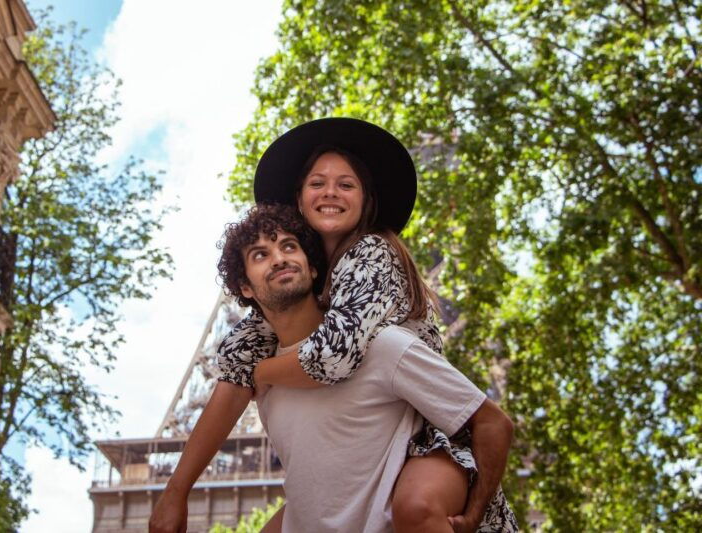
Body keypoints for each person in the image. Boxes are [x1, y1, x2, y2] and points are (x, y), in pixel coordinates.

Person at [217, 118, 518, 531]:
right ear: (299, 200)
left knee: (416, 506)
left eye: (346, 184)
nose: (331, 192)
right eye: (318, 183)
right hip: (360, 443)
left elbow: (332, 356)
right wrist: (178, 489)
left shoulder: (373, 251)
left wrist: (262, 372)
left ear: (366, 200)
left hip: (420, 435)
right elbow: (237, 354)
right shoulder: (303, 275)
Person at [149, 204, 514, 533]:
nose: (278, 258)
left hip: (426, 477)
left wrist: (474, 513)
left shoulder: (381, 344)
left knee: (417, 506)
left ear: (313, 267)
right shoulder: (253, 363)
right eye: (261, 254)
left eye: (289, 246)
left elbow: (492, 422)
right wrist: (175, 493)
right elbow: (229, 395)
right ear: (244, 287)